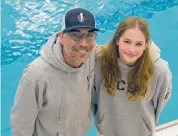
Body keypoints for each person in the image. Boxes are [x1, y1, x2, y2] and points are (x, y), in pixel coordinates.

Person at [10, 8, 99, 136]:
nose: (83, 43)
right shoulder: (36, 75)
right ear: (61, 37)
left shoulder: (91, 55)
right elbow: (21, 124)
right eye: (75, 35)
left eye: (90, 35)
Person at [92, 17, 172, 136]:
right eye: (127, 41)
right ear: (117, 39)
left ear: (146, 45)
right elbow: (93, 95)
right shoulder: (99, 61)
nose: (131, 49)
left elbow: (159, 103)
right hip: (106, 132)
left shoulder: (160, 71)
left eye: (139, 44)